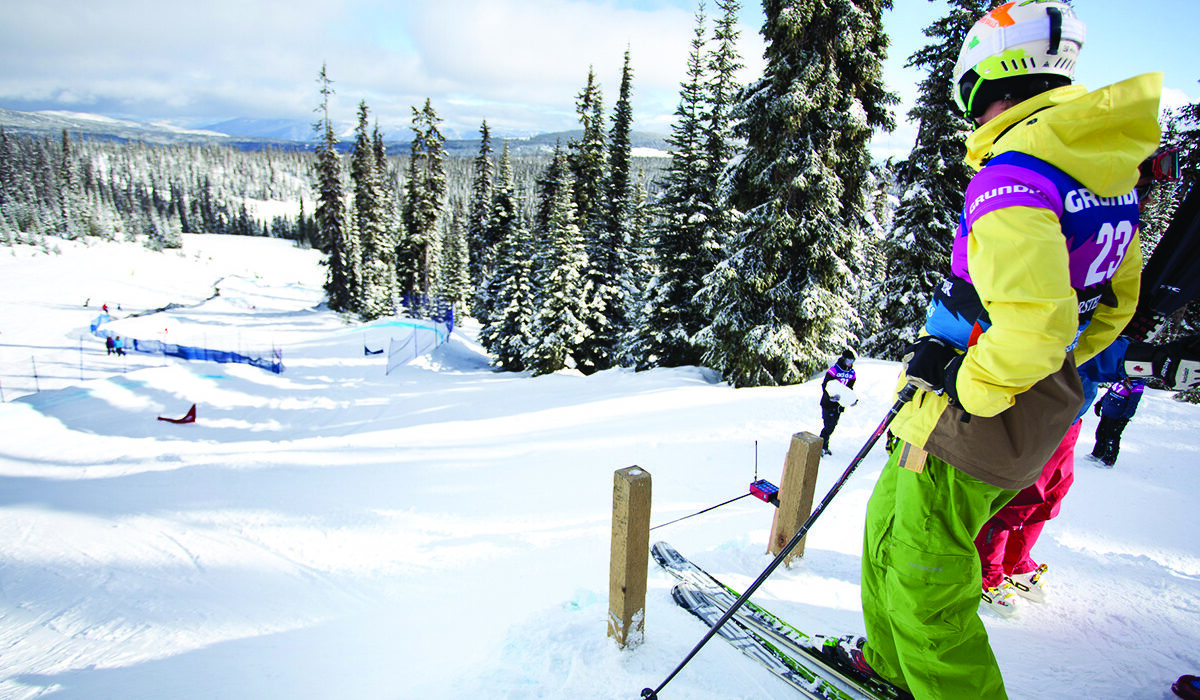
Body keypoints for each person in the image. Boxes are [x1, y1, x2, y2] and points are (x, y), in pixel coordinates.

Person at [820, 4, 1163, 698]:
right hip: (994, 405)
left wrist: (965, 383)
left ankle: (929, 679)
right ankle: (888, 666)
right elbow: (1113, 306)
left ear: (987, 82)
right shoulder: (1104, 172)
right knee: (889, 529)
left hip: (971, 416)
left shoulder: (1014, 178)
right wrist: (1051, 368)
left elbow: (1034, 331)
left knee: (925, 580)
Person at [1090, 377, 1144, 467]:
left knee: (1111, 436)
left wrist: (1125, 418)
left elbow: (1133, 403)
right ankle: (1098, 453)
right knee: (1100, 433)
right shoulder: (1121, 376)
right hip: (1107, 410)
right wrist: (1100, 402)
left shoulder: (1137, 385)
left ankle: (1109, 459)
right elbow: (1110, 391)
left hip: (1117, 415)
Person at [819, 349, 857, 455]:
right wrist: (829, 397)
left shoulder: (851, 373)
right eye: (848, 360)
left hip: (839, 405)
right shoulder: (834, 370)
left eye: (852, 361)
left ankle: (824, 446)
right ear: (844, 359)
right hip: (828, 403)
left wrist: (851, 399)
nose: (850, 363)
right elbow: (825, 385)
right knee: (828, 426)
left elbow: (849, 389)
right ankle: (820, 446)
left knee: (833, 425)